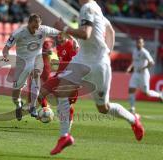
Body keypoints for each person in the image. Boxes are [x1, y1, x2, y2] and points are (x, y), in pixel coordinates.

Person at [39, 0, 144, 155]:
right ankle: (64, 136)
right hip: (82, 60)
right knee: (62, 91)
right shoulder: (96, 9)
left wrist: (64, 28)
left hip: (97, 65)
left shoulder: (88, 8)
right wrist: (108, 51)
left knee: (103, 108)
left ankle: (133, 120)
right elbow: (111, 31)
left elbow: (86, 34)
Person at [2, 14, 60, 121]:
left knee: (36, 73)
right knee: (16, 91)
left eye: (37, 27)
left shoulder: (44, 30)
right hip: (22, 62)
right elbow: (6, 48)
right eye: (33, 27)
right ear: (28, 23)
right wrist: (5, 56)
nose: (35, 29)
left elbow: (61, 33)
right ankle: (18, 104)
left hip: (36, 58)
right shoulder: (18, 33)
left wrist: (73, 40)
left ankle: (32, 106)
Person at [126, 37, 163, 113]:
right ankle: (132, 108)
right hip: (135, 73)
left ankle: (160, 95)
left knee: (147, 93)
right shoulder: (134, 51)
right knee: (131, 89)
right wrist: (130, 68)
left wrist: (143, 68)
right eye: (137, 42)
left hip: (143, 75)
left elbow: (152, 62)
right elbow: (134, 61)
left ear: (143, 44)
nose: (138, 44)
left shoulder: (145, 52)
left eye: (140, 42)